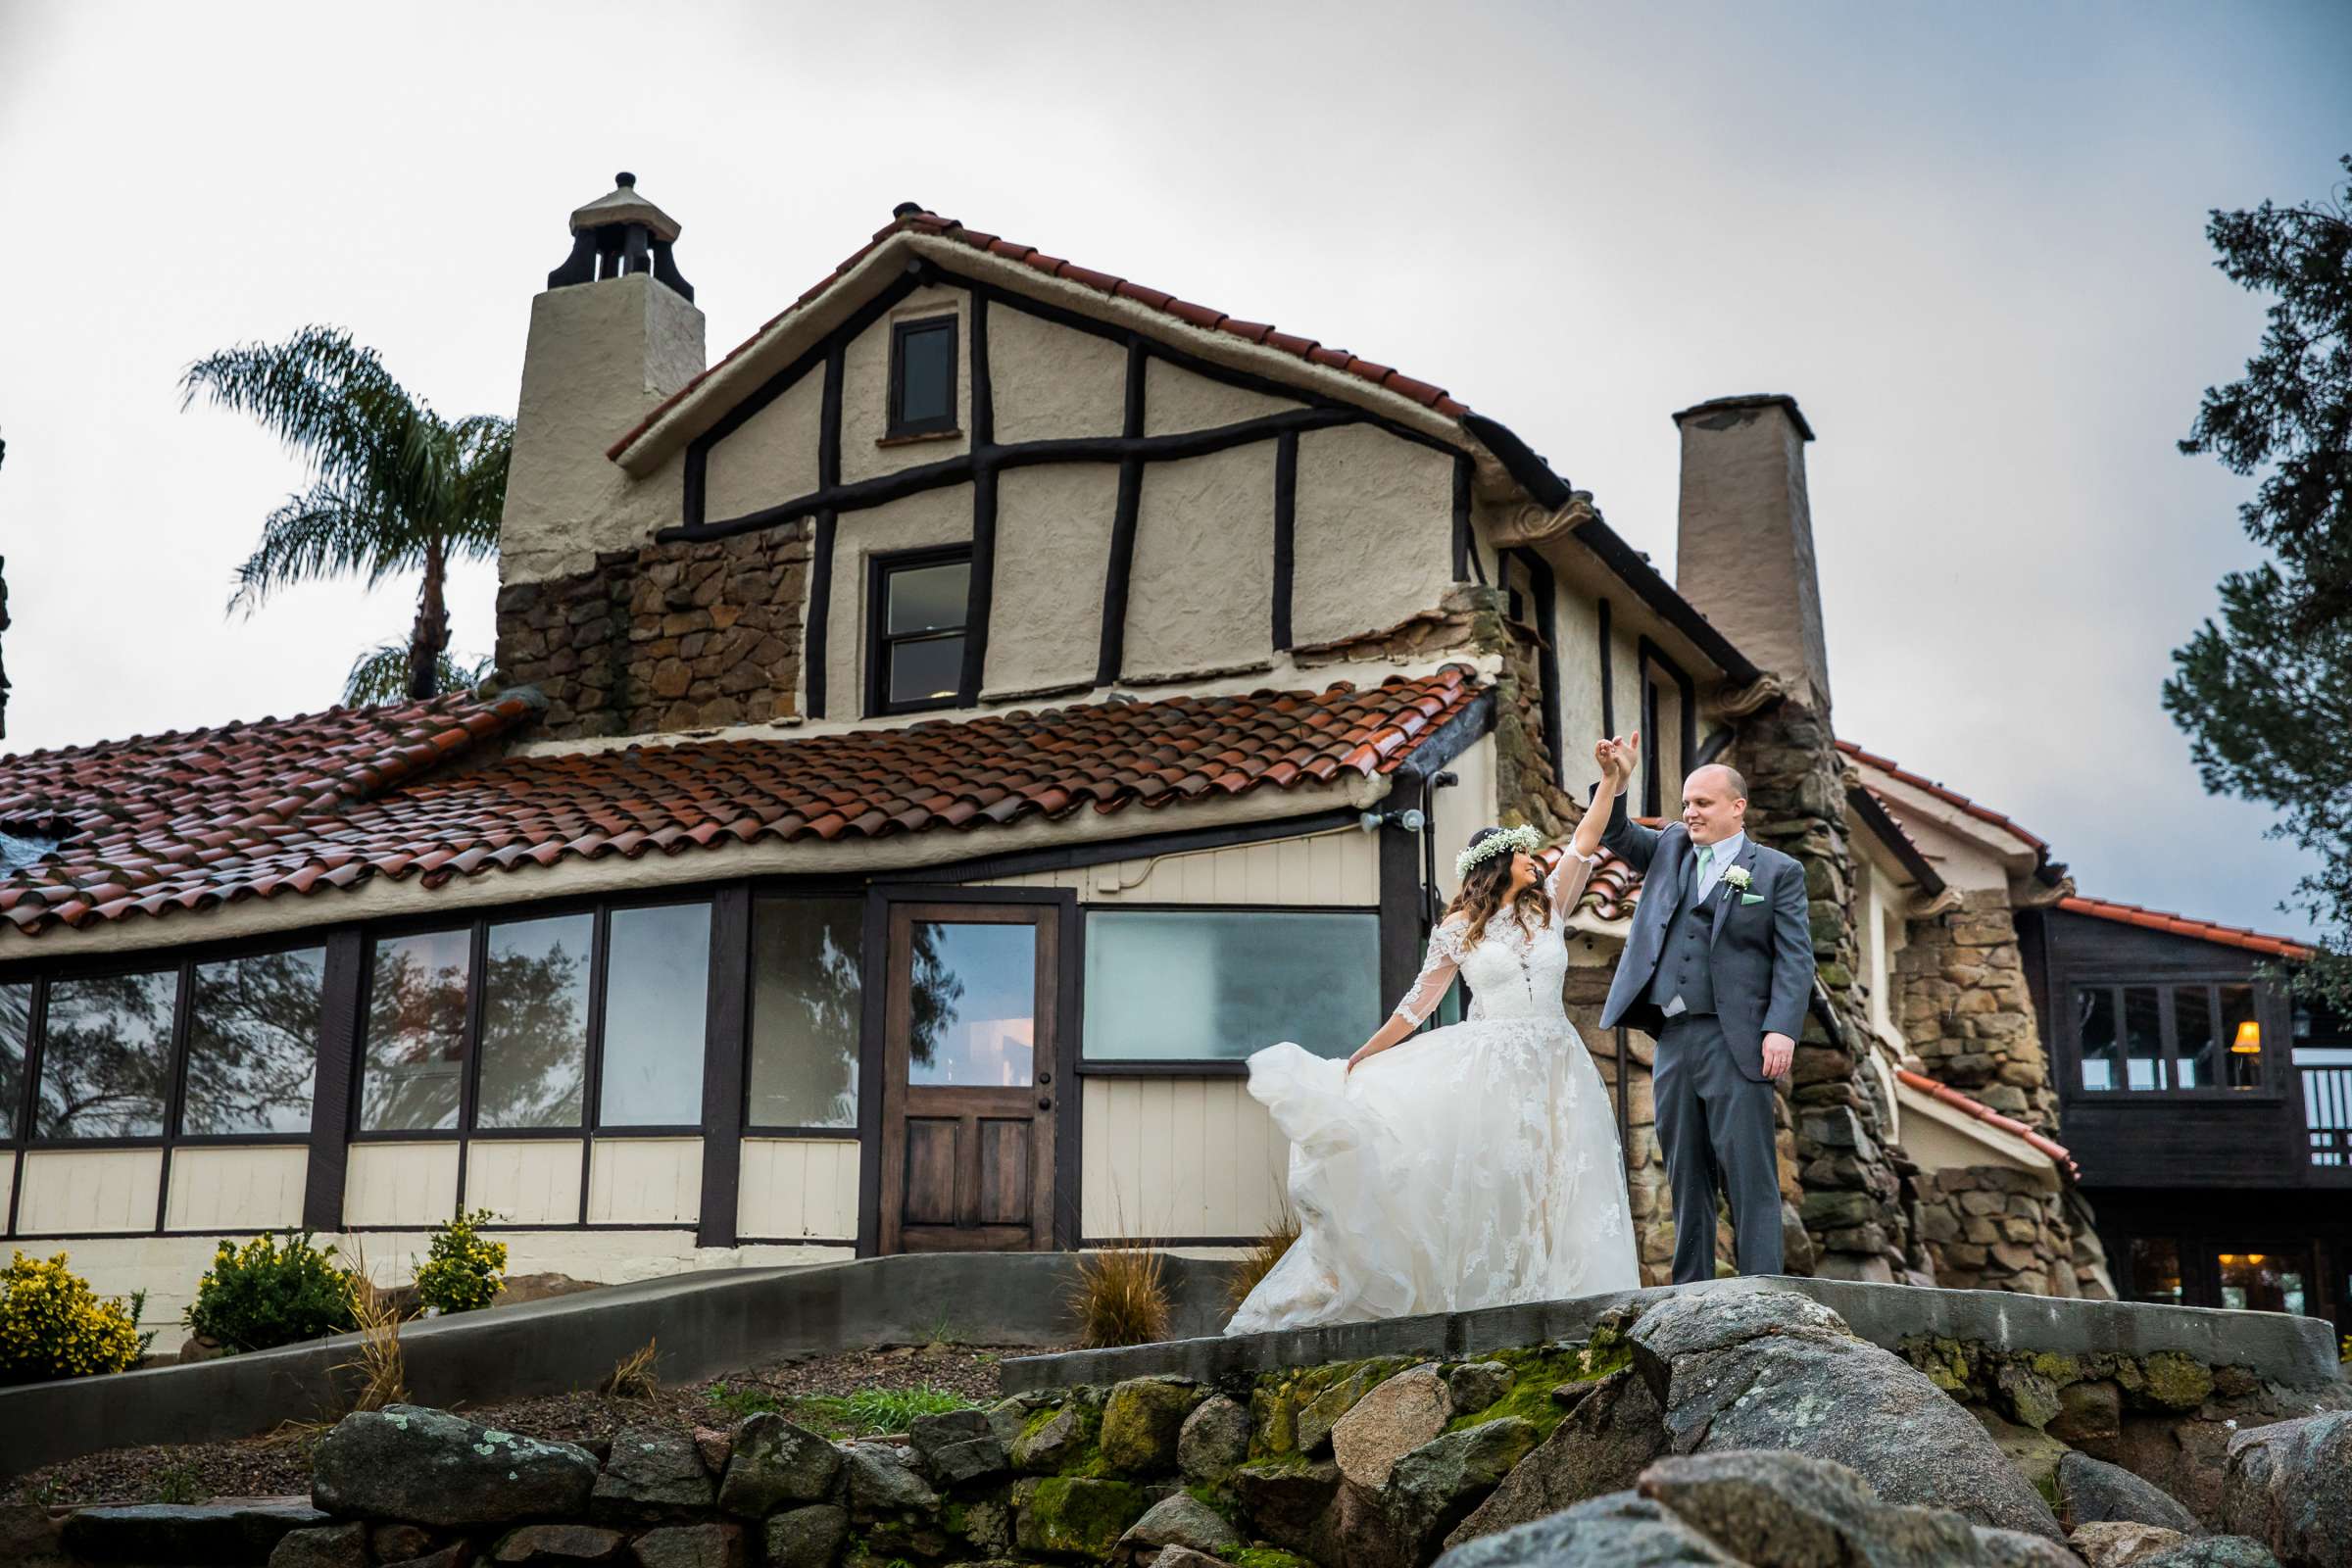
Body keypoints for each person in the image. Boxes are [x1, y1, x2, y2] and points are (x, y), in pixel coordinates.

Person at [1224, 745, 1642, 1334]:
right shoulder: (1455, 932)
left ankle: (1565, 1293)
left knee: (1562, 1174)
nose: (1534, 860)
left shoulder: (1550, 905)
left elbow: (1585, 839)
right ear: (1496, 865)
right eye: (1523, 853)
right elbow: (1415, 1008)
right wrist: (1363, 1058)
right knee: (1499, 1176)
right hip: (1491, 1069)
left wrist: (1610, 781)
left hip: (1556, 1063)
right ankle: (1499, 1297)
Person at [1592, 730, 1812, 1283]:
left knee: (1749, 1173)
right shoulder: (1669, 847)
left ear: (1737, 808)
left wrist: (1781, 1029)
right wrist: (1618, 777)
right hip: (1673, 1037)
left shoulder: (1777, 872)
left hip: (1736, 1038)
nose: (1690, 812)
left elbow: (1794, 959)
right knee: (1685, 1171)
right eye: (1686, 802)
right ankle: (1691, 1290)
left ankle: (1764, 1286)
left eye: (1703, 803)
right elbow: (1613, 831)